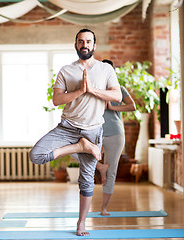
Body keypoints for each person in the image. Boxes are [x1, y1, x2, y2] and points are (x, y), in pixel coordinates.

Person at [29, 29, 122, 236]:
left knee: (87, 179)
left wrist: (92, 90)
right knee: (36, 155)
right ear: (75, 45)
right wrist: (80, 90)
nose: (85, 44)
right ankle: (79, 146)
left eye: (88, 41)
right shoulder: (66, 71)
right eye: (81, 41)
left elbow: (116, 95)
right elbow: (56, 100)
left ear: (94, 45)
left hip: (92, 131)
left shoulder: (105, 70)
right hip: (68, 128)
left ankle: (81, 223)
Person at [98, 59, 136, 216]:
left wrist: (112, 107)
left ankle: (104, 208)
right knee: (79, 153)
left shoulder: (119, 89)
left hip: (115, 132)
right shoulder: (95, 89)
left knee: (111, 170)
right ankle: (99, 166)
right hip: (96, 131)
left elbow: (132, 106)